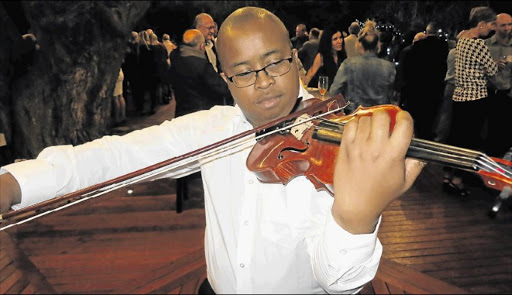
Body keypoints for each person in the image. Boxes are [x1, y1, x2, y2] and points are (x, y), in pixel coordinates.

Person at [0, 7, 424, 294]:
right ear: (225, 78)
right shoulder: (213, 129)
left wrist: (356, 218)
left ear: (296, 59)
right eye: (244, 72)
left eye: (275, 62)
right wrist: (14, 182)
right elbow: (114, 155)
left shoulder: (338, 146)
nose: (263, 81)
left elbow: (340, 282)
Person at [445, 6, 498, 196]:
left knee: (457, 138)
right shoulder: (479, 44)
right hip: (476, 98)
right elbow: (492, 71)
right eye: (491, 25)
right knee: (469, 142)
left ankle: (448, 176)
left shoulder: (462, 38)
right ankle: (458, 180)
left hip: (460, 96)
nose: (492, 30)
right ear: (481, 24)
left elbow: (470, 65)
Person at [329, 22, 396, 114]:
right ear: (378, 45)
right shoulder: (389, 67)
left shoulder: (349, 64)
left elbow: (334, 92)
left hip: (354, 115)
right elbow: (392, 96)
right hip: (379, 116)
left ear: (359, 44)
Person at [484, 13, 512, 158]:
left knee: (502, 136)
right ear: (495, 26)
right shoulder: (485, 45)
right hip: (486, 93)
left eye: (510, 24)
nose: (507, 28)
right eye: (503, 25)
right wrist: (491, 64)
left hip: (506, 96)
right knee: (484, 134)